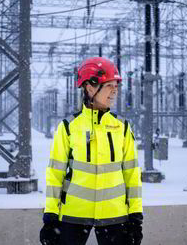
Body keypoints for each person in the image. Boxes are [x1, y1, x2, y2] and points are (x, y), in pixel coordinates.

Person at [40, 57, 143, 245]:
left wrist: (135, 216)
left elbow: (132, 175)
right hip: (73, 215)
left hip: (115, 216)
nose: (115, 90)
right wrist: (50, 216)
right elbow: (55, 175)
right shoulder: (68, 127)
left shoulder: (122, 127)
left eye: (116, 86)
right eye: (109, 85)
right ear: (89, 87)